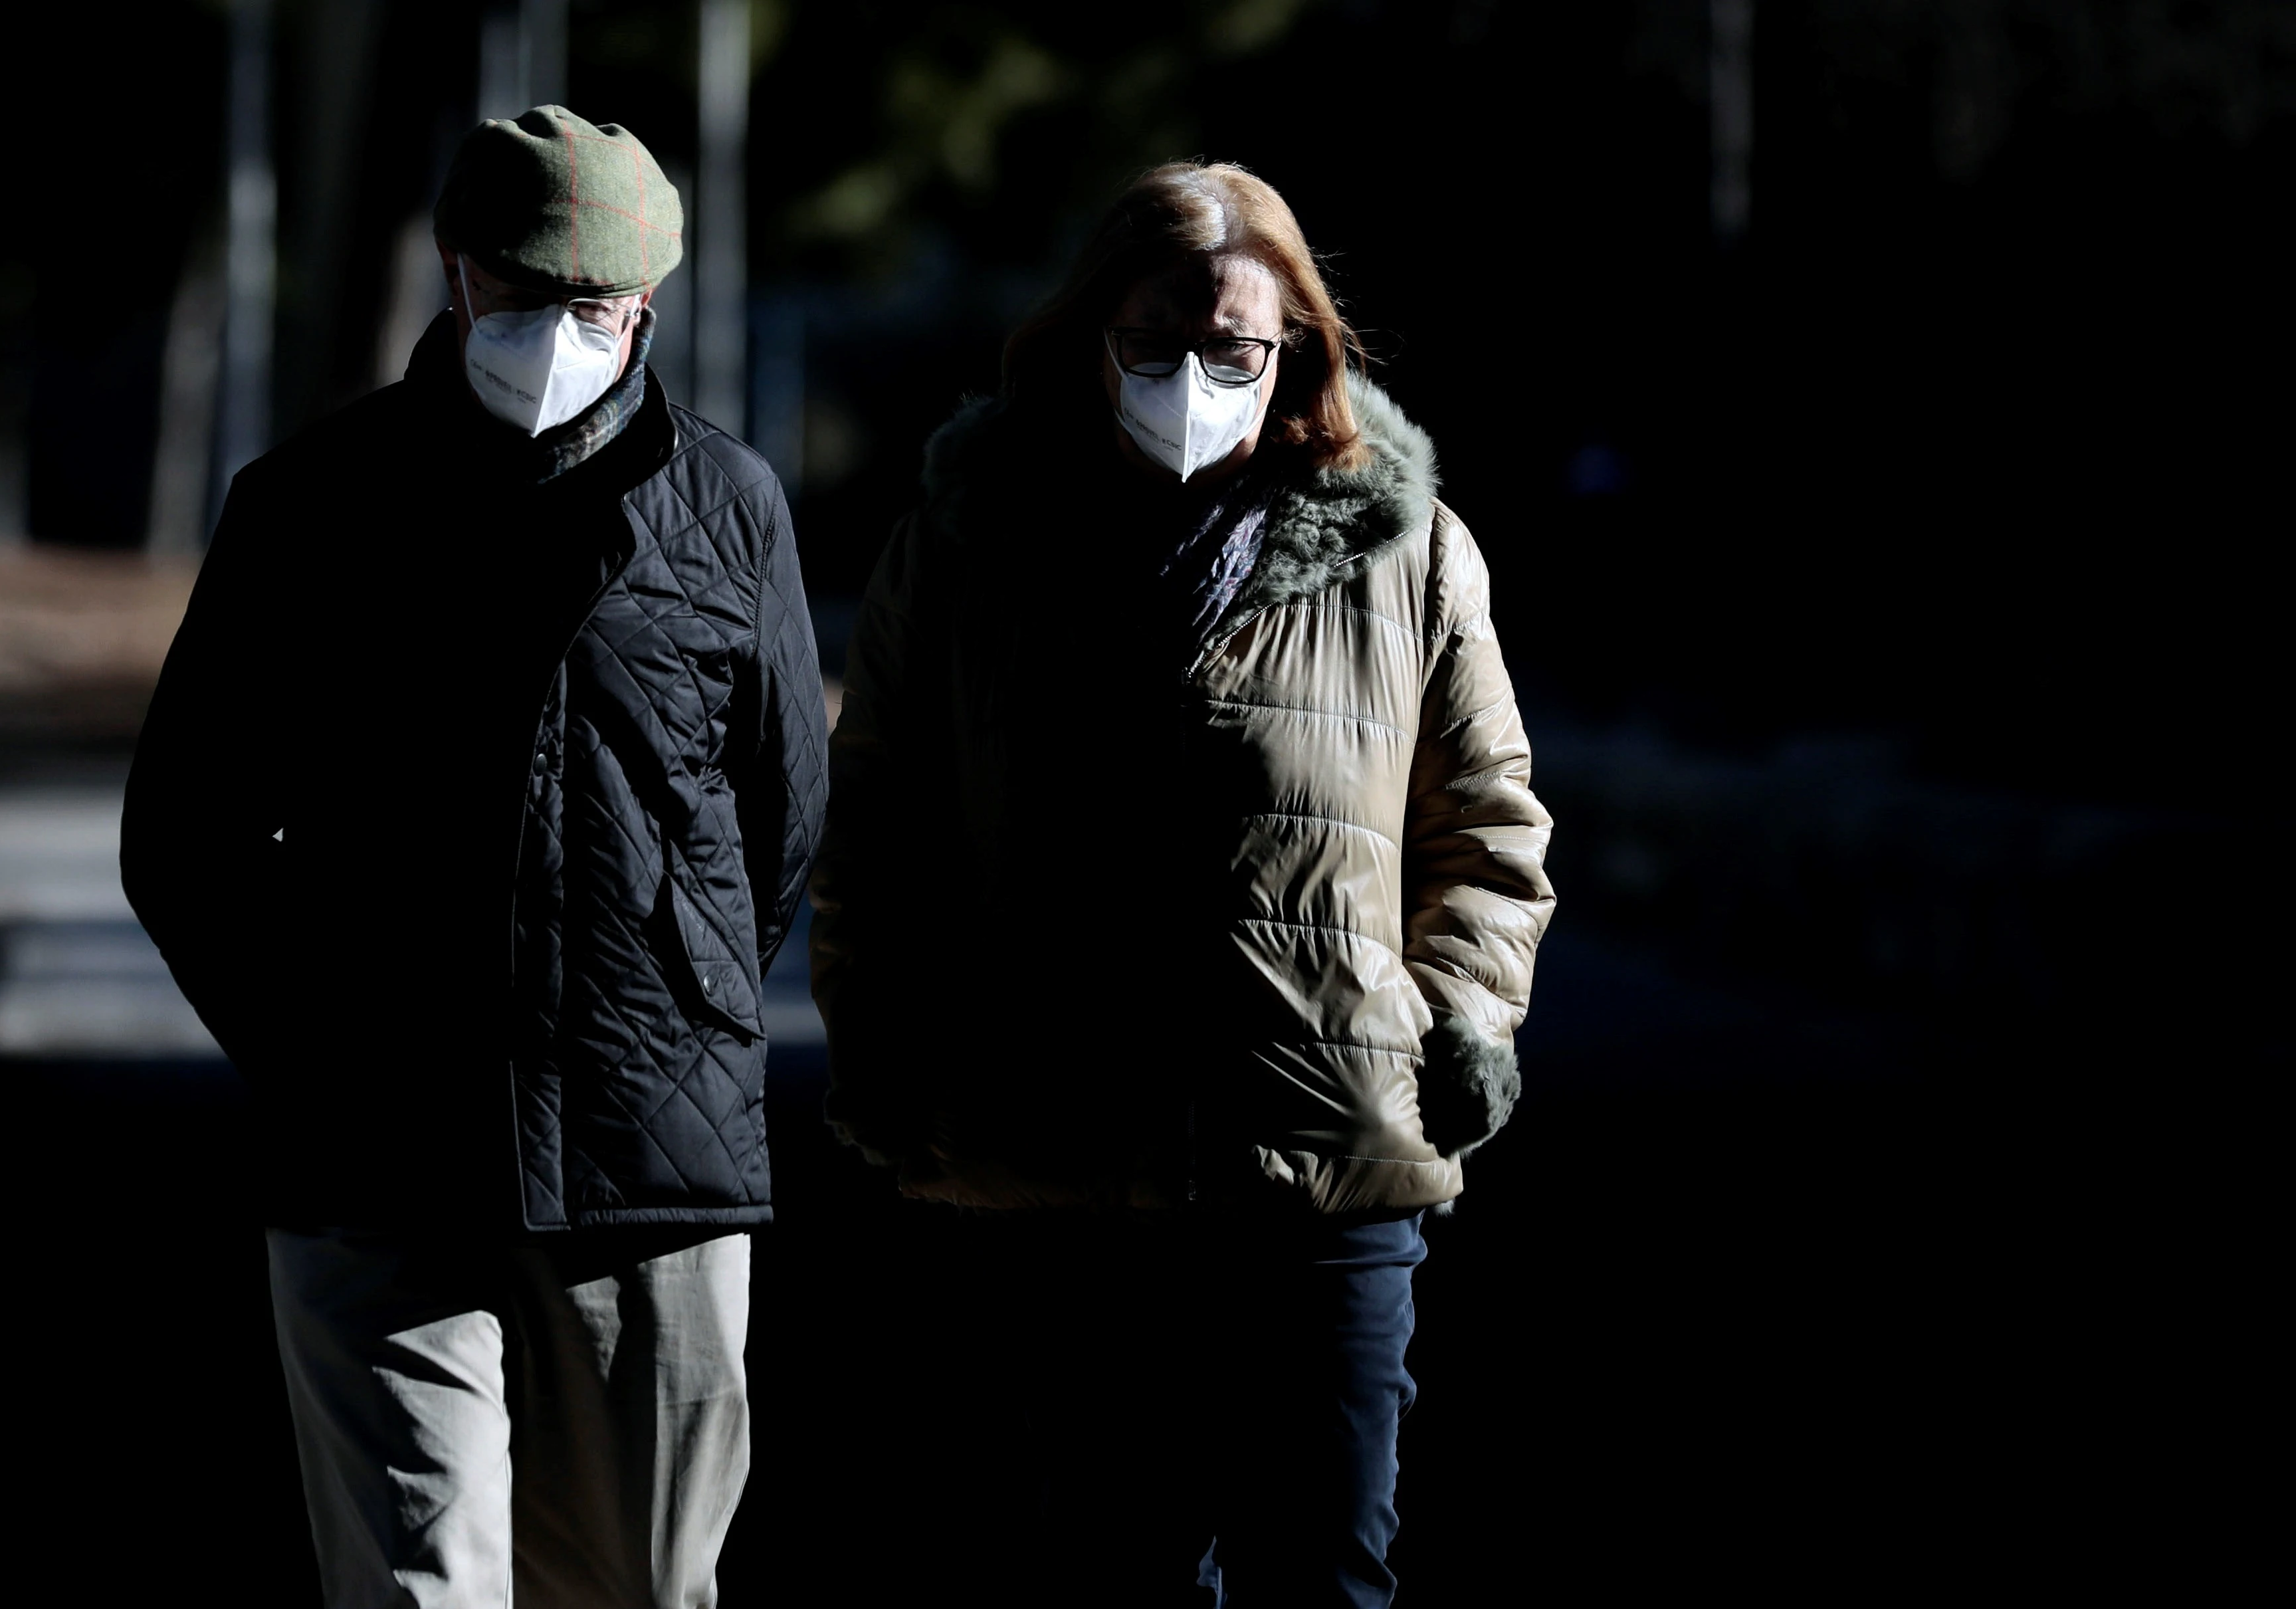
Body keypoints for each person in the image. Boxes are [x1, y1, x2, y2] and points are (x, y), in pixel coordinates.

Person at [808, 161, 1554, 1606]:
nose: (1194, 378)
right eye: (1155, 343)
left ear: (1296, 354)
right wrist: (887, 1041)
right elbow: (876, 829)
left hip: (1330, 1156)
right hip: (1064, 1159)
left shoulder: (1407, 558)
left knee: (1326, 1568)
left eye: (1233, 351)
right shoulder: (969, 551)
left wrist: (1455, 1020)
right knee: (1115, 1569)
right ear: (1090, 334)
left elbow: (1488, 827)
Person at [122, 105, 828, 1609]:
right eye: (522, 292)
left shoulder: (731, 509)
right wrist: (311, 1049)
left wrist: (675, 996)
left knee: (639, 1584)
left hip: (648, 1161)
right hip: (374, 1158)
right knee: (416, 1587)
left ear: (646, 305)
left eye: (592, 305)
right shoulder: (308, 505)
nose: (554, 330)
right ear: (455, 277)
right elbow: (186, 832)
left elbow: (779, 817)